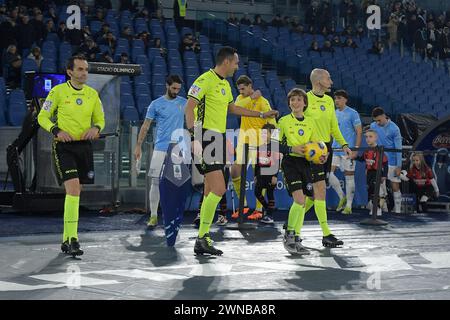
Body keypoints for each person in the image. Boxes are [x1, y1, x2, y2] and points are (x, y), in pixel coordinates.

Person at [185, 46, 278, 256]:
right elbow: (189, 108)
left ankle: (203, 237)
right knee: (219, 188)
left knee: (211, 190)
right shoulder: (204, 80)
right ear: (226, 62)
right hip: (206, 136)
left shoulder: (225, 85)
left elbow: (232, 109)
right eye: (235, 62)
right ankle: (202, 238)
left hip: (218, 137)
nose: (237, 66)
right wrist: (194, 136)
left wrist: (260, 115)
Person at [37, 54, 105, 256]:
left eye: (86, 69)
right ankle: (73, 238)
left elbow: (100, 119)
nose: (84, 73)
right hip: (64, 147)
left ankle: (66, 240)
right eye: (80, 69)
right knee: (74, 189)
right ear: (70, 72)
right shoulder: (58, 92)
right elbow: (42, 116)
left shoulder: (93, 94)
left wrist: (96, 128)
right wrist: (56, 130)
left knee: (75, 192)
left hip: (84, 147)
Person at [277, 88, 339, 255]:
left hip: (306, 164)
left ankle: (297, 238)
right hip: (290, 163)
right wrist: (291, 148)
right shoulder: (282, 121)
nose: (295, 103)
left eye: (298, 100)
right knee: (299, 199)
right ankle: (289, 236)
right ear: (289, 103)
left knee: (303, 202)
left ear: (304, 103)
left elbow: (316, 143)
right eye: (292, 100)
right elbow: (272, 143)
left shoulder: (310, 122)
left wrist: (321, 156)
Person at [303, 69, 351, 246]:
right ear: (318, 81)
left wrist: (344, 144)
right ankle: (326, 234)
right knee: (321, 190)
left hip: (327, 149)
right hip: (312, 150)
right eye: (328, 78)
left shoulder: (330, 101)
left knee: (313, 194)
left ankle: (293, 224)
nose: (331, 81)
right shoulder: (305, 99)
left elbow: (333, 127)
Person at [134, 75, 187, 228]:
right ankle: (153, 216)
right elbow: (145, 126)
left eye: (178, 89)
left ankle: (172, 216)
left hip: (177, 149)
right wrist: (138, 145)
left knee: (176, 184)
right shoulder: (156, 104)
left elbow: (194, 118)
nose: (176, 91)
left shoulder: (184, 103)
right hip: (160, 148)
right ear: (167, 85)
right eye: (173, 88)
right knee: (155, 181)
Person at [230, 75, 276, 221]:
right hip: (244, 141)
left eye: (244, 89)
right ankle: (242, 206)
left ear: (250, 86)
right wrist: (251, 97)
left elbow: (271, 122)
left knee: (260, 177)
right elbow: (237, 108)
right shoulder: (240, 99)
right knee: (235, 171)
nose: (241, 91)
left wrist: (272, 143)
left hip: (259, 143)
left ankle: (258, 209)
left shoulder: (263, 102)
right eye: (240, 89)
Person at [329, 90, 362, 214]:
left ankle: (348, 206)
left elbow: (359, 131)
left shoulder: (353, 113)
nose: (336, 100)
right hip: (335, 149)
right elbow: (331, 133)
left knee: (349, 178)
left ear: (345, 99)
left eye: (339, 98)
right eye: (335, 98)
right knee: (328, 174)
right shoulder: (333, 113)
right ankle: (342, 197)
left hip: (348, 150)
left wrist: (356, 149)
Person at [370, 107, 403, 213]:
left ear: (384, 116)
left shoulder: (395, 128)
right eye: (376, 121)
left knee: (395, 186)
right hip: (379, 162)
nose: (377, 123)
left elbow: (399, 148)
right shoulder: (373, 126)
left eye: (379, 120)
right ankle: (382, 209)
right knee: (380, 186)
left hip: (392, 163)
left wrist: (399, 166)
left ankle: (398, 211)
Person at [356, 129, 389, 217]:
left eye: (370, 137)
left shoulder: (379, 149)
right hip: (369, 173)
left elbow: (385, 163)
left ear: (376, 138)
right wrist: (353, 156)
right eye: (366, 137)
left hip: (377, 173)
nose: (368, 139)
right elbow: (362, 159)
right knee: (370, 191)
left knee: (375, 191)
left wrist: (384, 175)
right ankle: (374, 207)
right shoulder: (367, 150)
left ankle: (377, 209)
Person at [254, 123, 279, 224]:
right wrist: (255, 175)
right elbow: (256, 162)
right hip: (261, 174)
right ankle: (267, 209)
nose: (263, 135)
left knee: (270, 193)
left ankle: (270, 215)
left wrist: (275, 176)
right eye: (262, 133)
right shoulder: (260, 147)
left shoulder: (275, 146)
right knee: (257, 192)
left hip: (271, 174)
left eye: (265, 133)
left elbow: (277, 162)